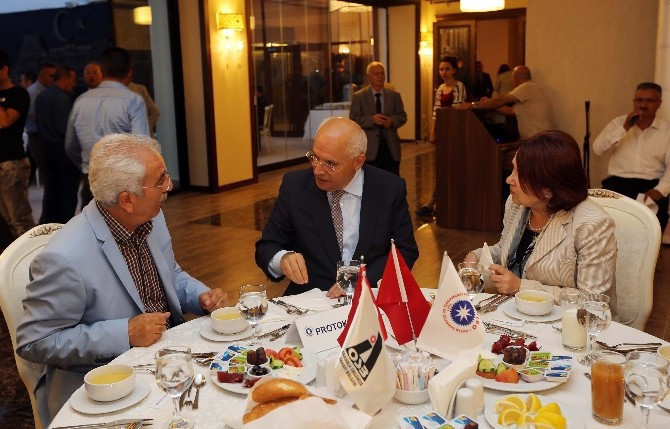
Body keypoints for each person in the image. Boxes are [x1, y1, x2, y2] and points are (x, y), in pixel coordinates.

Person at [16, 133, 229, 427]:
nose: (169, 186)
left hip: (166, 362)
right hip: (103, 387)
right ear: (127, 200)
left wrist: (201, 296)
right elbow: (36, 342)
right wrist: (124, 333)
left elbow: (170, 273)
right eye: (160, 181)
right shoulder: (64, 257)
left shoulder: (150, 216)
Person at [255, 117, 418, 297]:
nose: (317, 170)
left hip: (369, 297)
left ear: (358, 162)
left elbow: (405, 251)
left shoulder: (389, 188)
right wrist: (282, 259)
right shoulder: (295, 186)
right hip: (310, 300)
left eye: (330, 163)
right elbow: (267, 246)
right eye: (314, 157)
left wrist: (360, 280)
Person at [464, 130, 617, 308]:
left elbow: (591, 301)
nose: (508, 180)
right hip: (515, 312)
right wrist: (476, 257)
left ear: (548, 189)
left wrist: (521, 287)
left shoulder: (592, 225)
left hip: (566, 321)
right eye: (513, 169)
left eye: (519, 174)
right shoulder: (516, 204)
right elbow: (506, 249)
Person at [66, 47, 149, 208]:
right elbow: (142, 145)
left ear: (102, 72)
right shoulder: (133, 100)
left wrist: (86, 163)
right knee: (122, 223)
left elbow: (70, 145)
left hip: (92, 178)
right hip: (122, 181)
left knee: (91, 222)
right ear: (130, 72)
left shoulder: (81, 101)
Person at [593, 82, 670, 232]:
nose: (643, 105)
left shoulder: (666, 130)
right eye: (639, 100)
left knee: (652, 229)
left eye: (649, 101)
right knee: (606, 227)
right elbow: (598, 149)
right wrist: (624, 128)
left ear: (659, 103)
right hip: (618, 183)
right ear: (634, 101)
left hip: (651, 184)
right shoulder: (619, 123)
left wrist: (660, 190)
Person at [416, 56, 467, 217]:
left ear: (454, 70)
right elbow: (435, 112)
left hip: (455, 133)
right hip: (443, 133)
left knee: (452, 169)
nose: (443, 72)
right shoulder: (440, 88)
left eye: (447, 69)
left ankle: (440, 202)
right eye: (441, 69)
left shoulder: (459, 86)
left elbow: (456, 111)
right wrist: (433, 131)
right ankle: (436, 202)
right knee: (441, 168)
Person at [35, 66, 81, 223]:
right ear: (65, 78)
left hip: (46, 148)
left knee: (52, 190)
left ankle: (48, 224)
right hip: (62, 150)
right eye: (73, 79)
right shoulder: (62, 98)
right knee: (67, 193)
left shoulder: (42, 95)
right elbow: (63, 128)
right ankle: (64, 225)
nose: (74, 84)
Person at [455, 65, 553, 139]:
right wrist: (487, 102)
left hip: (540, 140)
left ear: (515, 78)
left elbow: (500, 101)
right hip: (537, 139)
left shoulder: (527, 87)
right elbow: (511, 111)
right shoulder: (531, 90)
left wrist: (471, 105)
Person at [0, 49, 35, 239]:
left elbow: (5, 121)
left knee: (19, 220)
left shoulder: (18, 94)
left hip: (11, 163)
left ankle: (31, 256)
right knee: (4, 223)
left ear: (5, 69)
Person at [350, 62, 407, 175]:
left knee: (392, 180)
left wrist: (392, 121)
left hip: (391, 148)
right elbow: (353, 119)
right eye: (376, 73)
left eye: (382, 73)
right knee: (372, 181)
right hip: (370, 149)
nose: (380, 76)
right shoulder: (359, 97)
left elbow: (402, 116)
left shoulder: (394, 96)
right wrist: (372, 120)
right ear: (369, 76)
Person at [25, 62, 57, 188]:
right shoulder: (33, 92)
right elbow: (34, 117)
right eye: (51, 76)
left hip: (44, 136)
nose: (54, 79)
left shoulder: (48, 90)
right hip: (37, 137)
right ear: (41, 75)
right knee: (47, 173)